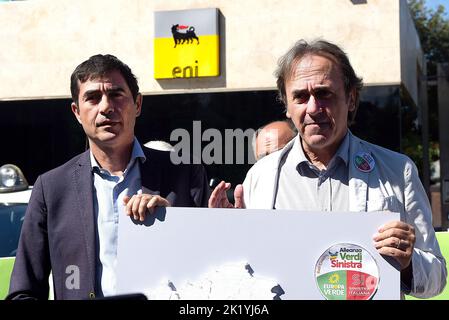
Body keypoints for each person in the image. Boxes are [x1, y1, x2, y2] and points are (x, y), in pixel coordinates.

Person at [209, 39, 447, 298]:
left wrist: (409, 263)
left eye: (324, 93)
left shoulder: (398, 171)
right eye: (300, 97)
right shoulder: (260, 177)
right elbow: (244, 274)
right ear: (287, 107)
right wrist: (227, 236)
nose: (313, 108)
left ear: (351, 98)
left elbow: (436, 279)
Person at [8, 54, 210, 300]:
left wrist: (174, 224)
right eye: (92, 98)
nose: (105, 107)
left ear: (137, 105)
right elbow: (23, 292)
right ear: (77, 112)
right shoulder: (51, 188)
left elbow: (212, 266)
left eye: (116, 95)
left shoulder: (184, 173)